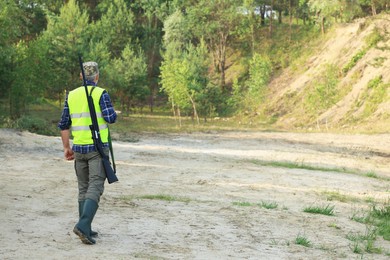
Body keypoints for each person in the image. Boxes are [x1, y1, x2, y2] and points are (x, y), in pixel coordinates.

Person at [58, 61, 117, 245]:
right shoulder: (101, 93)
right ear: (97, 77)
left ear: (81, 77)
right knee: (95, 186)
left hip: (79, 148)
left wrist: (67, 147)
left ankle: (86, 227)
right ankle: (83, 225)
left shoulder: (72, 95)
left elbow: (63, 124)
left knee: (83, 187)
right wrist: (114, 113)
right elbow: (110, 118)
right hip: (96, 148)